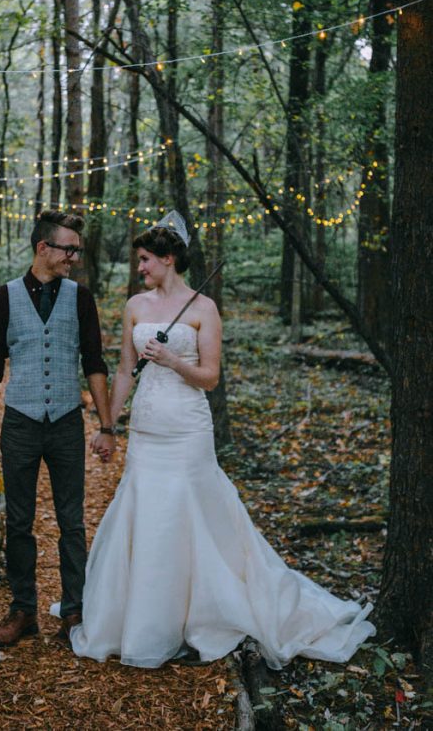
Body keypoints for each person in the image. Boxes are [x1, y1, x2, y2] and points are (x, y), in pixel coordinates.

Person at [62, 212, 375, 669]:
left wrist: (172, 360)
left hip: (188, 430)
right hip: (147, 430)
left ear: (170, 259)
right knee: (146, 514)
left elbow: (209, 378)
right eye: (140, 262)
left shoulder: (204, 309)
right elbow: (127, 370)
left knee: (189, 517)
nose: (141, 269)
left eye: (147, 260)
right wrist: (108, 425)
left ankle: (203, 613)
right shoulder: (134, 306)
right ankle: (143, 618)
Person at [0, 210, 115, 647]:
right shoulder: (5, 297)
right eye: (68, 248)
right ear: (42, 248)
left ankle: (74, 611)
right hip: (20, 423)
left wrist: (106, 425)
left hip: (67, 421)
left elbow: (94, 363)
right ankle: (23, 610)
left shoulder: (80, 298)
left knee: (72, 522)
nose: (74, 257)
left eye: (77, 250)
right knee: (19, 522)